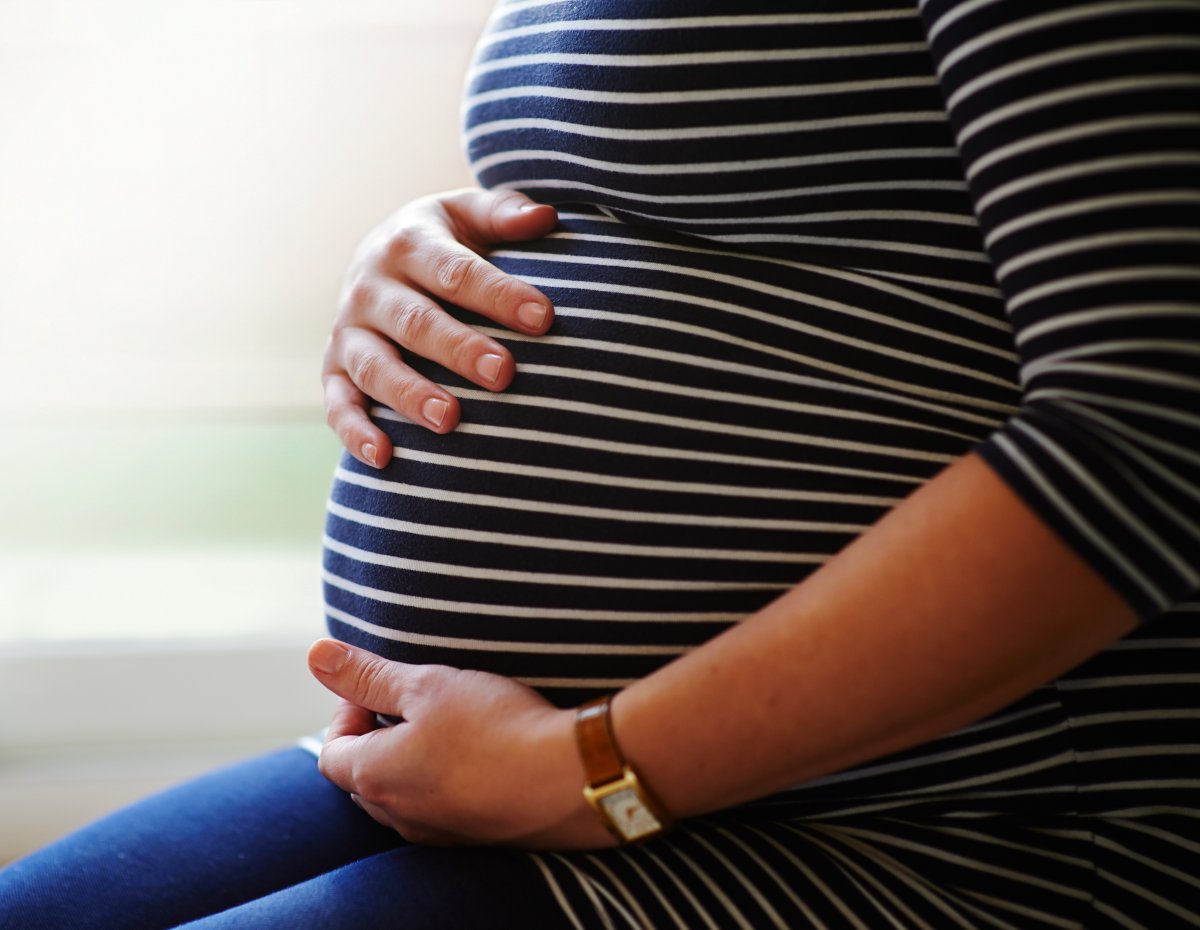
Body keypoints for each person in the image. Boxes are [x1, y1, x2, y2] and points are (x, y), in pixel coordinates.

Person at [3, 1, 1198, 927]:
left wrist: (594, 772)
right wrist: (421, 259)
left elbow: (1151, 427)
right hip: (545, 774)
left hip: (953, 828)